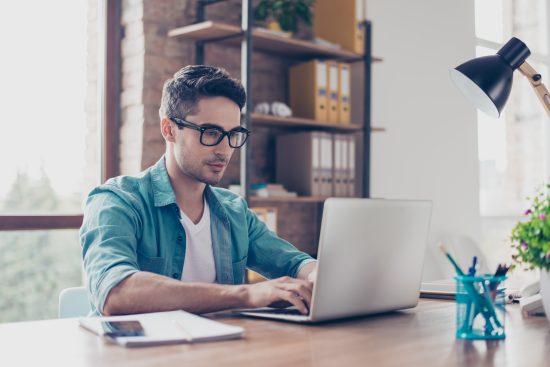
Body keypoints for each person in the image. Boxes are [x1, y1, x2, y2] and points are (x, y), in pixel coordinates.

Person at [80, 65, 317, 316]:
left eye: (233, 134)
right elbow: (115, 293)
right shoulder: (116, 201)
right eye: (211, 132)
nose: (225, 149)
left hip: (219, 350)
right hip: (139, 354)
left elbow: (295, 263)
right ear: (169, 129)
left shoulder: (234, 210)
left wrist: (316, 275)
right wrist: (245, 294)